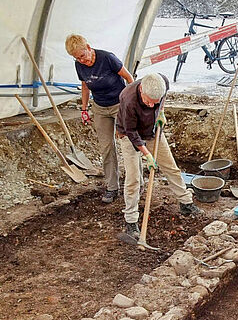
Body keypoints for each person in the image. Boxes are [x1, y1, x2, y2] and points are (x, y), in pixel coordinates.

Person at [116, 73, 201, 240]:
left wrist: (160, 111)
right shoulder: (128, 99)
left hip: (153, 131)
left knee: (171, 167)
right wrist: (147, 155)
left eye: (155, 102)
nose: (151, 105)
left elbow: (163, 97)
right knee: (133, 179)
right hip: (128, 135)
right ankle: (131, 221)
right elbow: (131, 132)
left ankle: (186, 203)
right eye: (148, 102)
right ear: (141, 90)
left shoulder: (162, 82)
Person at [65, 34, 134, 204]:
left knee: (129, 144)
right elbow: (85, 86)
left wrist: (130, 103)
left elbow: (129, 78)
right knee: (106, 147)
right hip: (100, 108)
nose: (81, 60)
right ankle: (112, 187)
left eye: (83, 56)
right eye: (77, 58)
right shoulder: (79, 65)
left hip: (119, 105)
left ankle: (134, 185)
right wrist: (84, 109)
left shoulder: (107, 58)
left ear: (88, 47)